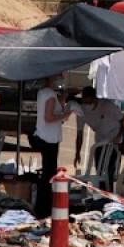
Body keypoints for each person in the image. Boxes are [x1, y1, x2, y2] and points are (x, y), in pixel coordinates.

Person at [30, 75, 71, 218]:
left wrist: (63, 101)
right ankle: (43, 208)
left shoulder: (43, 93)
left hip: (44, 136)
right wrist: (66, 115)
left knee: (47, 172)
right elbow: (49, 117)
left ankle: (43, 206)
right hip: (50, 139)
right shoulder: (50, 95)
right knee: (48, 174)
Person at [71, 85, 124, 184]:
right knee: (100, 171)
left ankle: (109, 192)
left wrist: (118, 136)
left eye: (89, 102)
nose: (87, 105)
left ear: (95, 99)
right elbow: (79, 133)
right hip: (100, 140)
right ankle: (102, 194)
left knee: (110, 171)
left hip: (115, 140)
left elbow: (123, 121)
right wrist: (77, 153)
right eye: (85, 102)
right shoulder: (81, 111)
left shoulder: (107, 106)